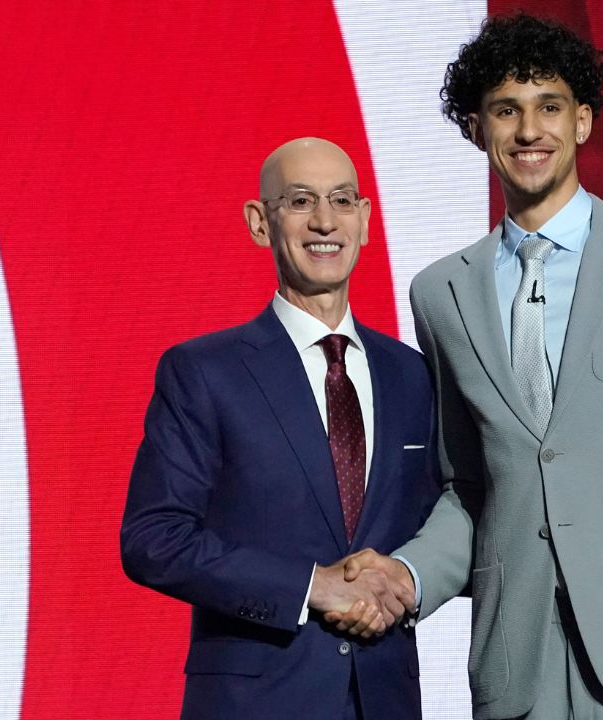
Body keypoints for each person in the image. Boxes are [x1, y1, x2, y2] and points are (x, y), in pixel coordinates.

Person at [337, 14, 603, 720]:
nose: (528, 130)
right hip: (520, 677)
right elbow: (472, 489)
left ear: (582, 122)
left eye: (549, 107)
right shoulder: (440, 293)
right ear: (477, 130)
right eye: (505, 111)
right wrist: (408, 574)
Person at [121, 137, 438, 720]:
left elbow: (446, 517)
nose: (325, 221)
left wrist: (408, 578)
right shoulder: (203, 371)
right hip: (255, 701)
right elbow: (153, 538)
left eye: (342, 200)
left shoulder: (412, 374)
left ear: (365, 221)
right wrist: (310, 586)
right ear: (259, 223)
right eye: (300, 201)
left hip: (386, 697)